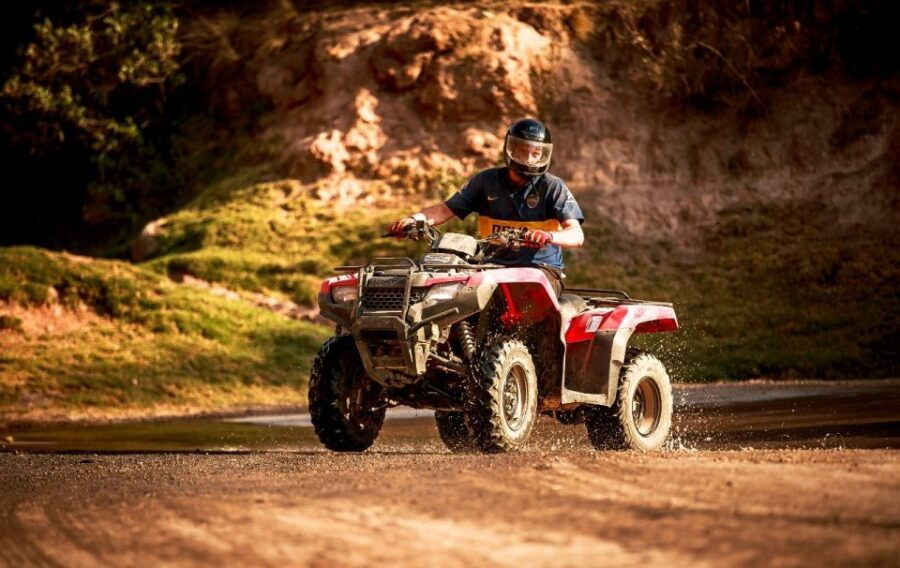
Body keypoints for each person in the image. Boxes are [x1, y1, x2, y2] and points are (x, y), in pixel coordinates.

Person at [388, 118, 585, 296]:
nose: (529, 158)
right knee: (448, 295)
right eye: (524, 150)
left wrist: (549, 237)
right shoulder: (486, 181)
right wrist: (415, 220)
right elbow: (444, 210)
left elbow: (576, 234)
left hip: (539, 270)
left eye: (536, 153)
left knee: (526, 296)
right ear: (511, 149)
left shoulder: (552, 186)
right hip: (491, 267)